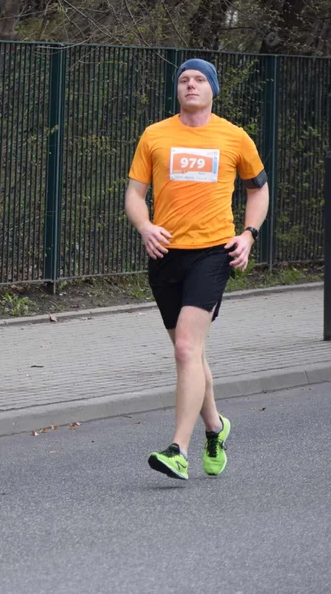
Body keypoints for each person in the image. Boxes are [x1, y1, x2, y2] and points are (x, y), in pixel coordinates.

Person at [124, 58, 269, 480]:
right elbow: (135, 193)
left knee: (187, 348)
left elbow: (259, 190)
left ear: (213, 89)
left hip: (212, 252)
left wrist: (248, 235)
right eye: (184, 79)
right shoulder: (155, 135)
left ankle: (177, 450)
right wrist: (145, 225)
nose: (190, 84)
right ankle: (215, 427)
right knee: (191, 353)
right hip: (166, 253)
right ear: (177, 90)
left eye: (199, 79)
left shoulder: (234, 137)